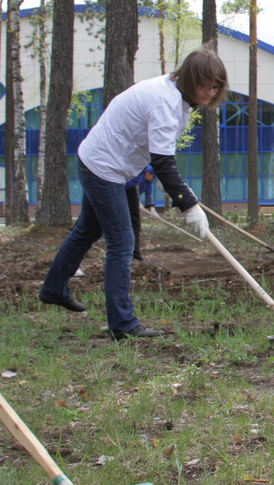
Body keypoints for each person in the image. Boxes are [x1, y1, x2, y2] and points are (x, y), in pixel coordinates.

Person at [38, 48, 226, 339]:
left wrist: (176, 189)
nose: (210, 92)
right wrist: (188, 205)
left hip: (107, 163)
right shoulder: (164, 101)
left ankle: (53, 288)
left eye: (215, 87)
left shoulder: (177, 97)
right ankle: (123, 325)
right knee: (122, 243)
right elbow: (162, 161)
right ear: (190, 78)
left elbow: (159, 156)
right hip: (104, 168)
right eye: (205, 85)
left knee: (87, 230)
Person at [124, 165, 156, 261]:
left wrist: (150, 207)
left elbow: (148, 194)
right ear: (147, 173)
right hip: (125, 195)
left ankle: (135, 254)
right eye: (153, 176)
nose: (153, 179)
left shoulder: (148, 182)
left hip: (132, 198)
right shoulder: (139, 177)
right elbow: (128, 186)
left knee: (135, 224)